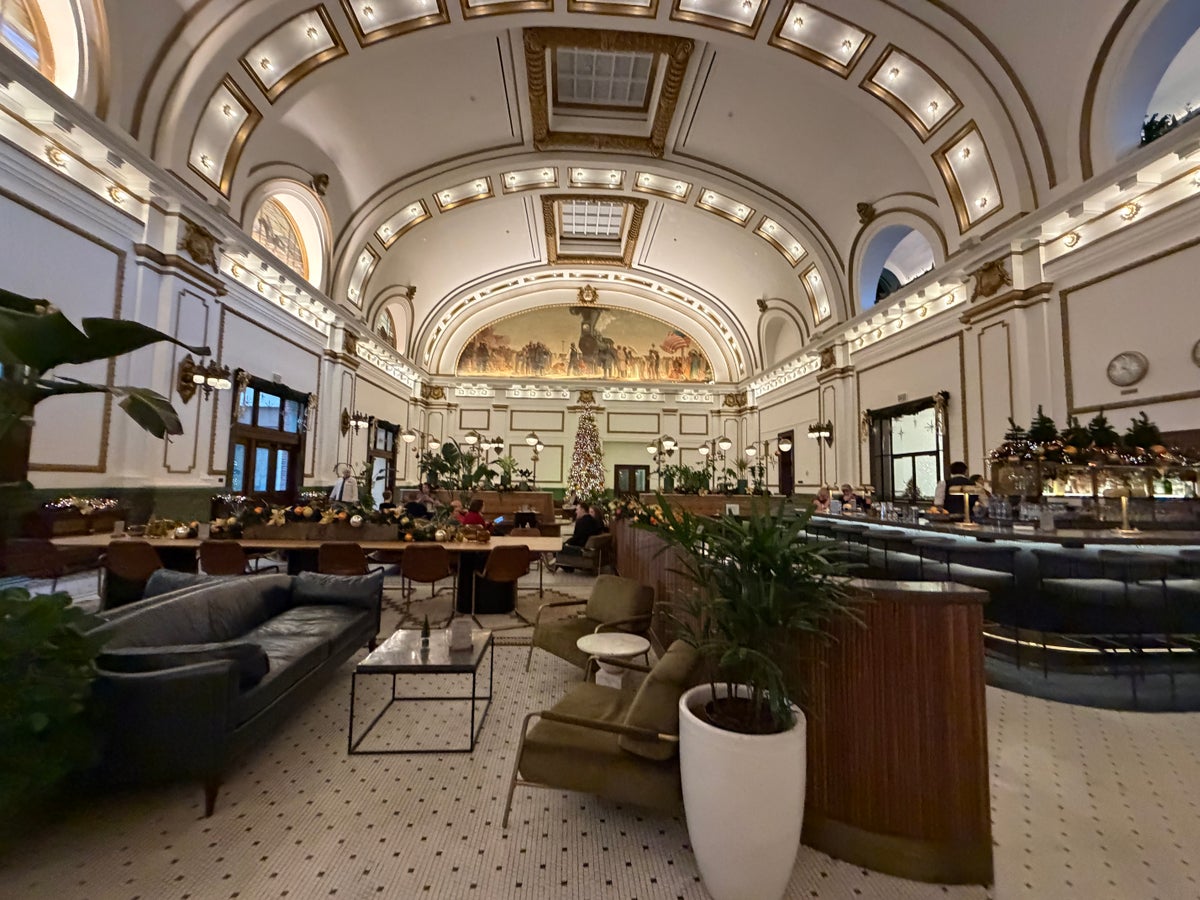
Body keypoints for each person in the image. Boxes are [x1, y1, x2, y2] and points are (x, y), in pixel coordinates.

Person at [554, 503, 604, 572]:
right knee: (562, 544)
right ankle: (566, 566)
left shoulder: (581, 522)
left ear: (582, 510)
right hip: (589, 548)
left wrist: (565, 543)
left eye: (577, 509)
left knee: (557, 547)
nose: (576, 512)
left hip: (582, 549)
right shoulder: (593, 521)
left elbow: (576, 539)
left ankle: (568, 567)